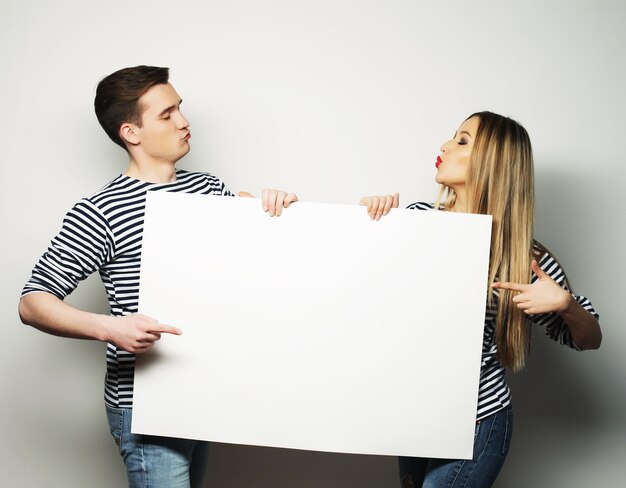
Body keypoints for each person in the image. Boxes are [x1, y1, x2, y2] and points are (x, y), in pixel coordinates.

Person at [18, 65, 298, 487]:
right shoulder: (101, 210)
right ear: (132, 133)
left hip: (204, 390)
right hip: (144, 403)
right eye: (167, 115)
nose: (184, 122)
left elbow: (258, 261)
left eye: (180, 109)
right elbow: (32, 301)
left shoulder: (209, 190)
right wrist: (111, 327)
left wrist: (277, 206)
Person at [360, 111, 602, 488]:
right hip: (415, 412)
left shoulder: (519, 255)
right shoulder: (416, 221)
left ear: (493, 161)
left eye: (461, 141)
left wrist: (565, 304)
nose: (444, 145)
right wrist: (375, 223)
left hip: (476, 419)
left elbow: (590, 338)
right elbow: (367, 298)